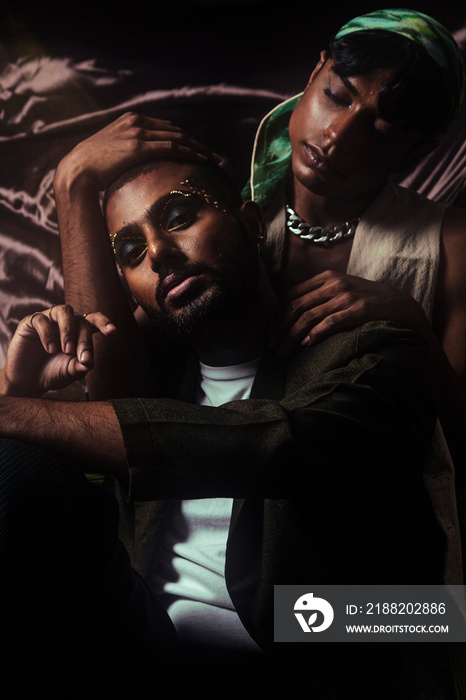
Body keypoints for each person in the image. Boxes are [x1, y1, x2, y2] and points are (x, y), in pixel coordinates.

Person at [0, 155, 461, 698]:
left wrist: (8, 413)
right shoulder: (152, 371)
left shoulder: (376, 348)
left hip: (318, 647)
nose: (160, 255)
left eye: (178, 217)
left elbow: (272, 446)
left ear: (247, 222)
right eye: (131, 252)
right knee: (19, 468)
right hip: (148, 644)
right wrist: (17, 395)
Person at [241, 8, 466, 477]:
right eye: (336, 95)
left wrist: (410, 321)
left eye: (382, 130)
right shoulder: (232, 215)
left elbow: (460, 444)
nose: (337, 136)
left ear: (420, 149)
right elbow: (130, 382)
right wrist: (74, 186)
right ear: (314, 72)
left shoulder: (451, 245)